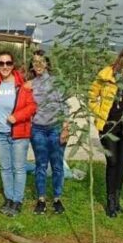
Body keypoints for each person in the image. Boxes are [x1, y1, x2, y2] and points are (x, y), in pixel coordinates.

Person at [89, 44, 123, 217]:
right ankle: (110, 200)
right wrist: (99, 115)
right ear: (122, 55)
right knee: (112, 162)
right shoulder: (107, 73)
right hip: (108, 124)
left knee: (122, 162)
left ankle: (117, 199)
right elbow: (92, 95)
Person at [0, 51, 36, 217]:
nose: (4, 66)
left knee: (19, 168)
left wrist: (17, 116)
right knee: (5, 168)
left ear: (13, 64)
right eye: (1, 63)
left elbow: (31, 107)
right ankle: (9, 198)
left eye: (8, 63)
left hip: (18, 133)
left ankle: (17, 201)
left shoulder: (22, 84)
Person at [27, 50, 69, 215]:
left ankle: (57, 198)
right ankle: (41, 199)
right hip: (38, 129)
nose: (38, 65)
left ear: (47, 64)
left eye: (41, 61)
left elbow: (65, 105)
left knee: (57, 165)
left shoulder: (57, 82)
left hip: (56, 128)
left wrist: (65, 128)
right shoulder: (30, 84)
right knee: (41, 165)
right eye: (35, 61)